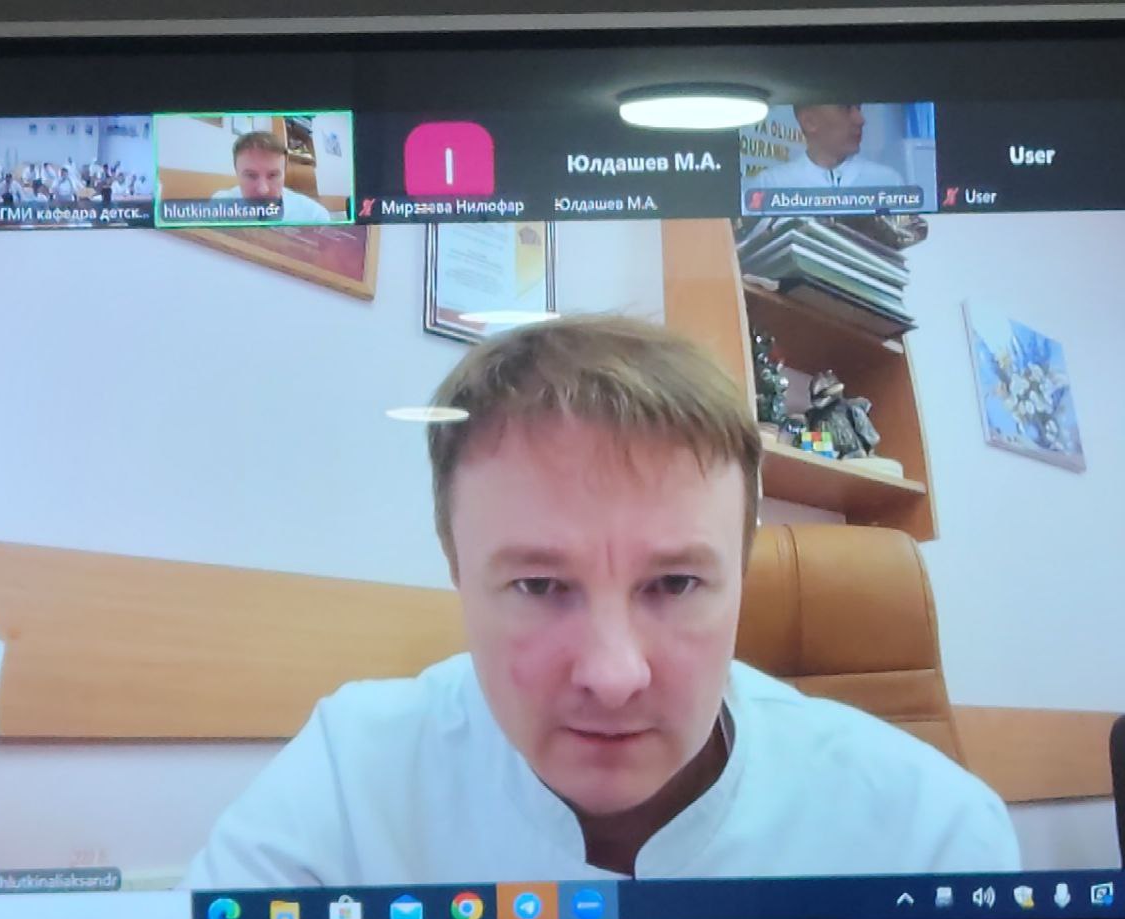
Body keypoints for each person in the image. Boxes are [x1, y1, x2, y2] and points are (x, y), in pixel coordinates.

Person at [183, 317, 1020, 888]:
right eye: (540, 585)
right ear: (455, 567)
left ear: (741, 573)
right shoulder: (349, 784)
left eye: (674, 584)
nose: (614, 677)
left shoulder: (927, 833)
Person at [749, 104, 906, 189]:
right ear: (809, 122)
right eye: (846, 108)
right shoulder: (771, 183)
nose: (860, 120)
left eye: (858, 108)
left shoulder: (888, 181)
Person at [209, 130, 332, 224]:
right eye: (251, 175)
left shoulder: (314, 216)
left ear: (284, 172)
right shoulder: (220, 205)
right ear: (237, 172)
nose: (263, 190)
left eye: (273, 175)